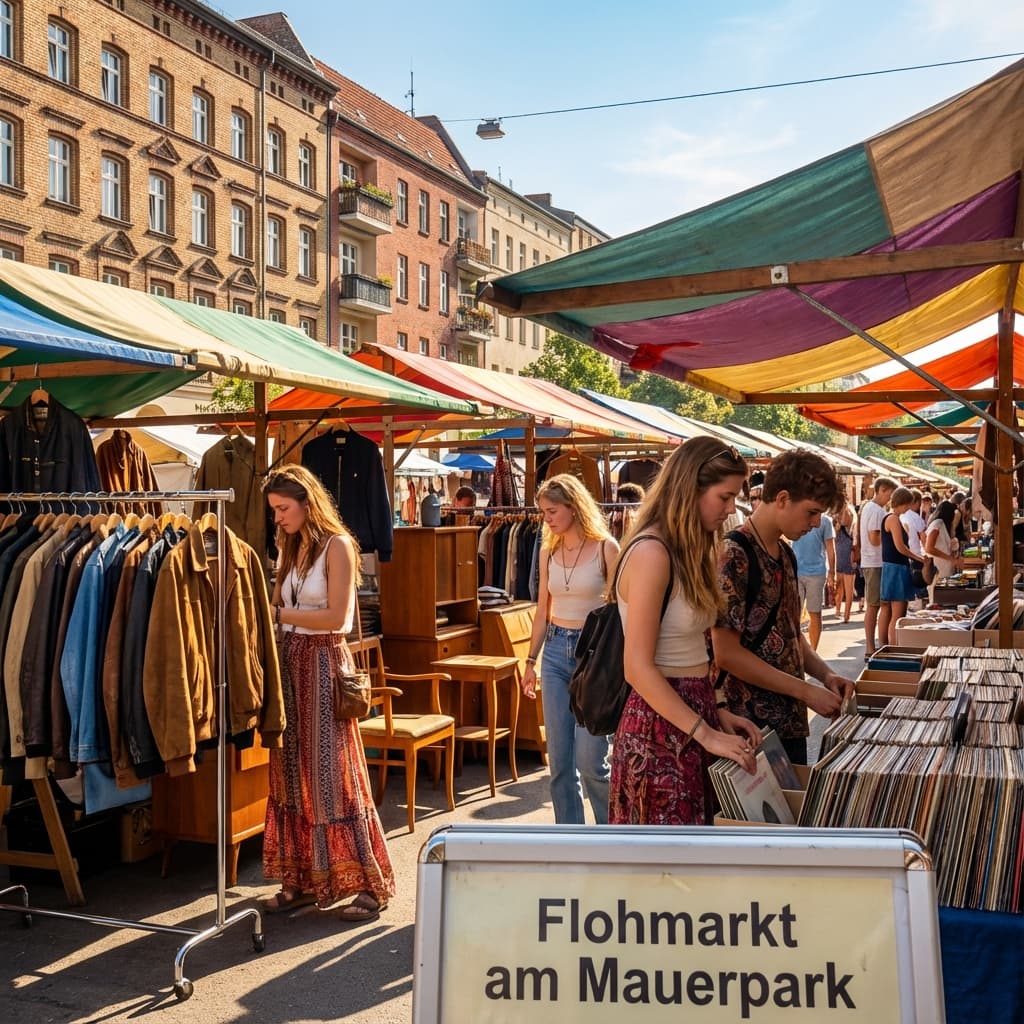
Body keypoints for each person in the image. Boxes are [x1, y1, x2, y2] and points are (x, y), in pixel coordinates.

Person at [262, 466, 395, 920]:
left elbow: (339, 617)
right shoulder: (289, 546)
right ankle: (299, 879)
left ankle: (371, 883)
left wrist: (281, 616)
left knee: (332, 775)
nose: (278, 518)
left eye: (283, 508)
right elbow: (279, 603)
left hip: (322, 662)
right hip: (290, 660)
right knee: (289, 771)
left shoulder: (338, 545)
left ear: (306, 503)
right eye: (274, 511)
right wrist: (279, 616)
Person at [610, 438, 759, 825]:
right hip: (659, 728)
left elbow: (696, 646)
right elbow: (637, 667)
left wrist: (718, 709)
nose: (731, 508)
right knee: (670, 855)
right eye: (725, 497)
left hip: (690, 715)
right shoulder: (652, 553)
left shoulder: (687, 550)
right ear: (690, 488)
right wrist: (706, 732)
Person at [713, 449, 854, 765]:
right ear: (782, 499)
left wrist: (827, 675)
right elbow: (727, 653)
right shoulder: (733, 555)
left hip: (787, 726)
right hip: (747, 731)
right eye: (811, 512)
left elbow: (791, 635)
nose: (815, 523)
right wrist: (805, 691)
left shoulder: (786, 554)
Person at [521, 474, 619, 824]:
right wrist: (530, 661)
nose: (546, 519)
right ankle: (569, 838)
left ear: (573, 507)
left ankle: (612, 834)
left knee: (592, 762)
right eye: (543, 512)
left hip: (593, 655)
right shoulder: (547, 551)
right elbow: (542, 611)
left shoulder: (606, 548)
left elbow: (622, 610)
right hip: (554, 651)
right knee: (560, 764)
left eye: (552, 511)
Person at [879, 487, 927, 647]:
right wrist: (918, 558)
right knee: (898, 615)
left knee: (892, 612)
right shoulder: (893, 519)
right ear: (903, 502)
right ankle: (893, 647)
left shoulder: (895, 518)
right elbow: (900, 547)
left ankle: (887, 645)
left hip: (894, 567)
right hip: (896, 568)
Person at [858, 476, 896, 659]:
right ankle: (871, 648)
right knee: (874, 606)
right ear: (881, 490)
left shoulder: (869, 508)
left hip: (872, 561)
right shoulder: (876, 510)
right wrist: (892, 536)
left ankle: (874, 646)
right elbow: (874, 539)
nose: (889, 498)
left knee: (876, 605)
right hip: (875, 562)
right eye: (889, 494)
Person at [790, 506, 835, 650]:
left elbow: (830, 548)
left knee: (814, 612)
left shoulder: (825, 521)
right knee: (793, 613)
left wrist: (832, 573)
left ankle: (813, 651)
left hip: (816, 573)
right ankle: (797, 649)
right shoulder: (797, 515)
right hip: (796, 570)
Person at [924, 499, 959, 596]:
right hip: (939, 568)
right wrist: (950, 559)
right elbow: (929, 548)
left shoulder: (942, 525)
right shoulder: (938, 523)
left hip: (944, 568)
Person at [833, 498, 858, 623]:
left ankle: (846, 615)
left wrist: (842, 511)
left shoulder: (849, 514)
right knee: (839, 586)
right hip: (839, 554)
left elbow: (844, 522)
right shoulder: (837, 517)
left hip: (848, 554)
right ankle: (838, 610)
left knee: (848, 588)